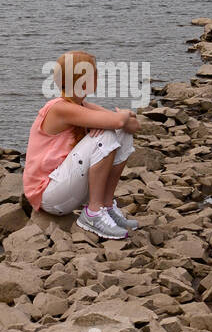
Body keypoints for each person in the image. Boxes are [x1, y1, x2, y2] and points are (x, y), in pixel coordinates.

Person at [23, 49, 142, 239]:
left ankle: (106, 206)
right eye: (94, 72)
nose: (98, 76)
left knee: (122, 134)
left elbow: (133, 127)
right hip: (49, 195)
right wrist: (125, 114)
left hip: (67, 188)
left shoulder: (82, 106)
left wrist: (124, 118)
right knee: (109, 133)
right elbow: (120, 121)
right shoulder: (59, 108)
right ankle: (93, 214)